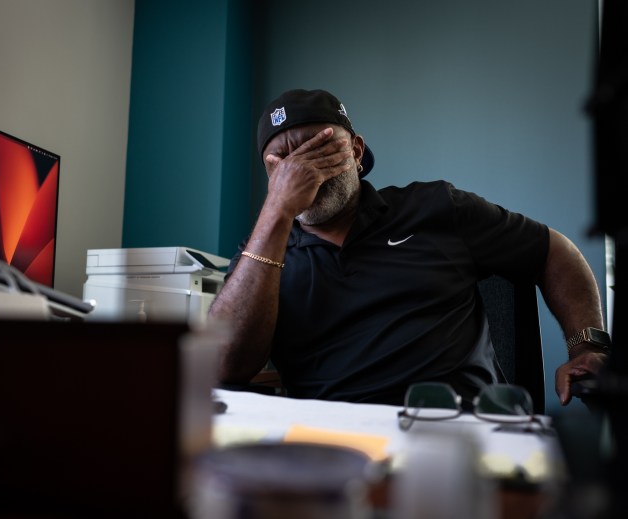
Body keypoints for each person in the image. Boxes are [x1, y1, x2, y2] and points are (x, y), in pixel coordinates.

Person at [208, 88, 609, 407]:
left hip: (458, 427)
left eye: (317, 149)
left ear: (356, 151)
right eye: (281, 164)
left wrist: (586, 345)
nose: (301, 171)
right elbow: (224, 366)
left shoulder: (435, 207)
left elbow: (553, 250)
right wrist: (277, 212)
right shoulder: (261, 253)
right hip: (330, 445)